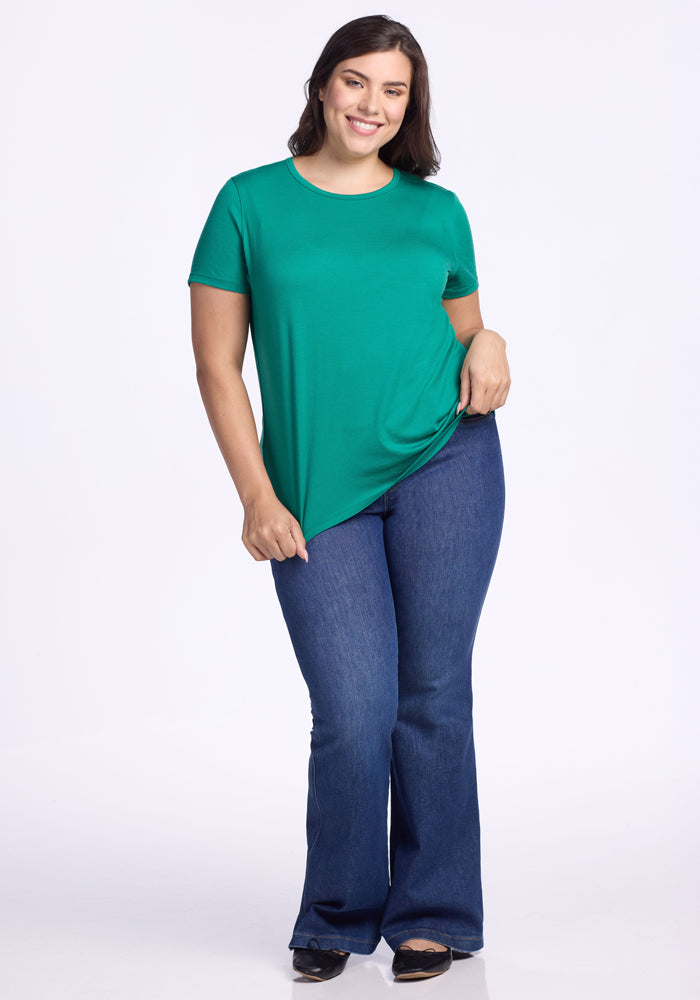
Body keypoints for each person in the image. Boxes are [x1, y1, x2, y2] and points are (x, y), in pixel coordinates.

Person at [188, 14, 510, 983]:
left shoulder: (435, 210)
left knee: (433, 694)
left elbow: (469, 329)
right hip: (315, 491)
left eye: (394, 90)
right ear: (323, 86)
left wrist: (493, 344)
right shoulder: (248, 202)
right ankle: (335, 909)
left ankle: (433, 915)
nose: (373, 104)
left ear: (411, 106)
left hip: (447, 461)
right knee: (353, 707)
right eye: (357, 81)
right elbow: (216, 366)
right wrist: (256, 495)